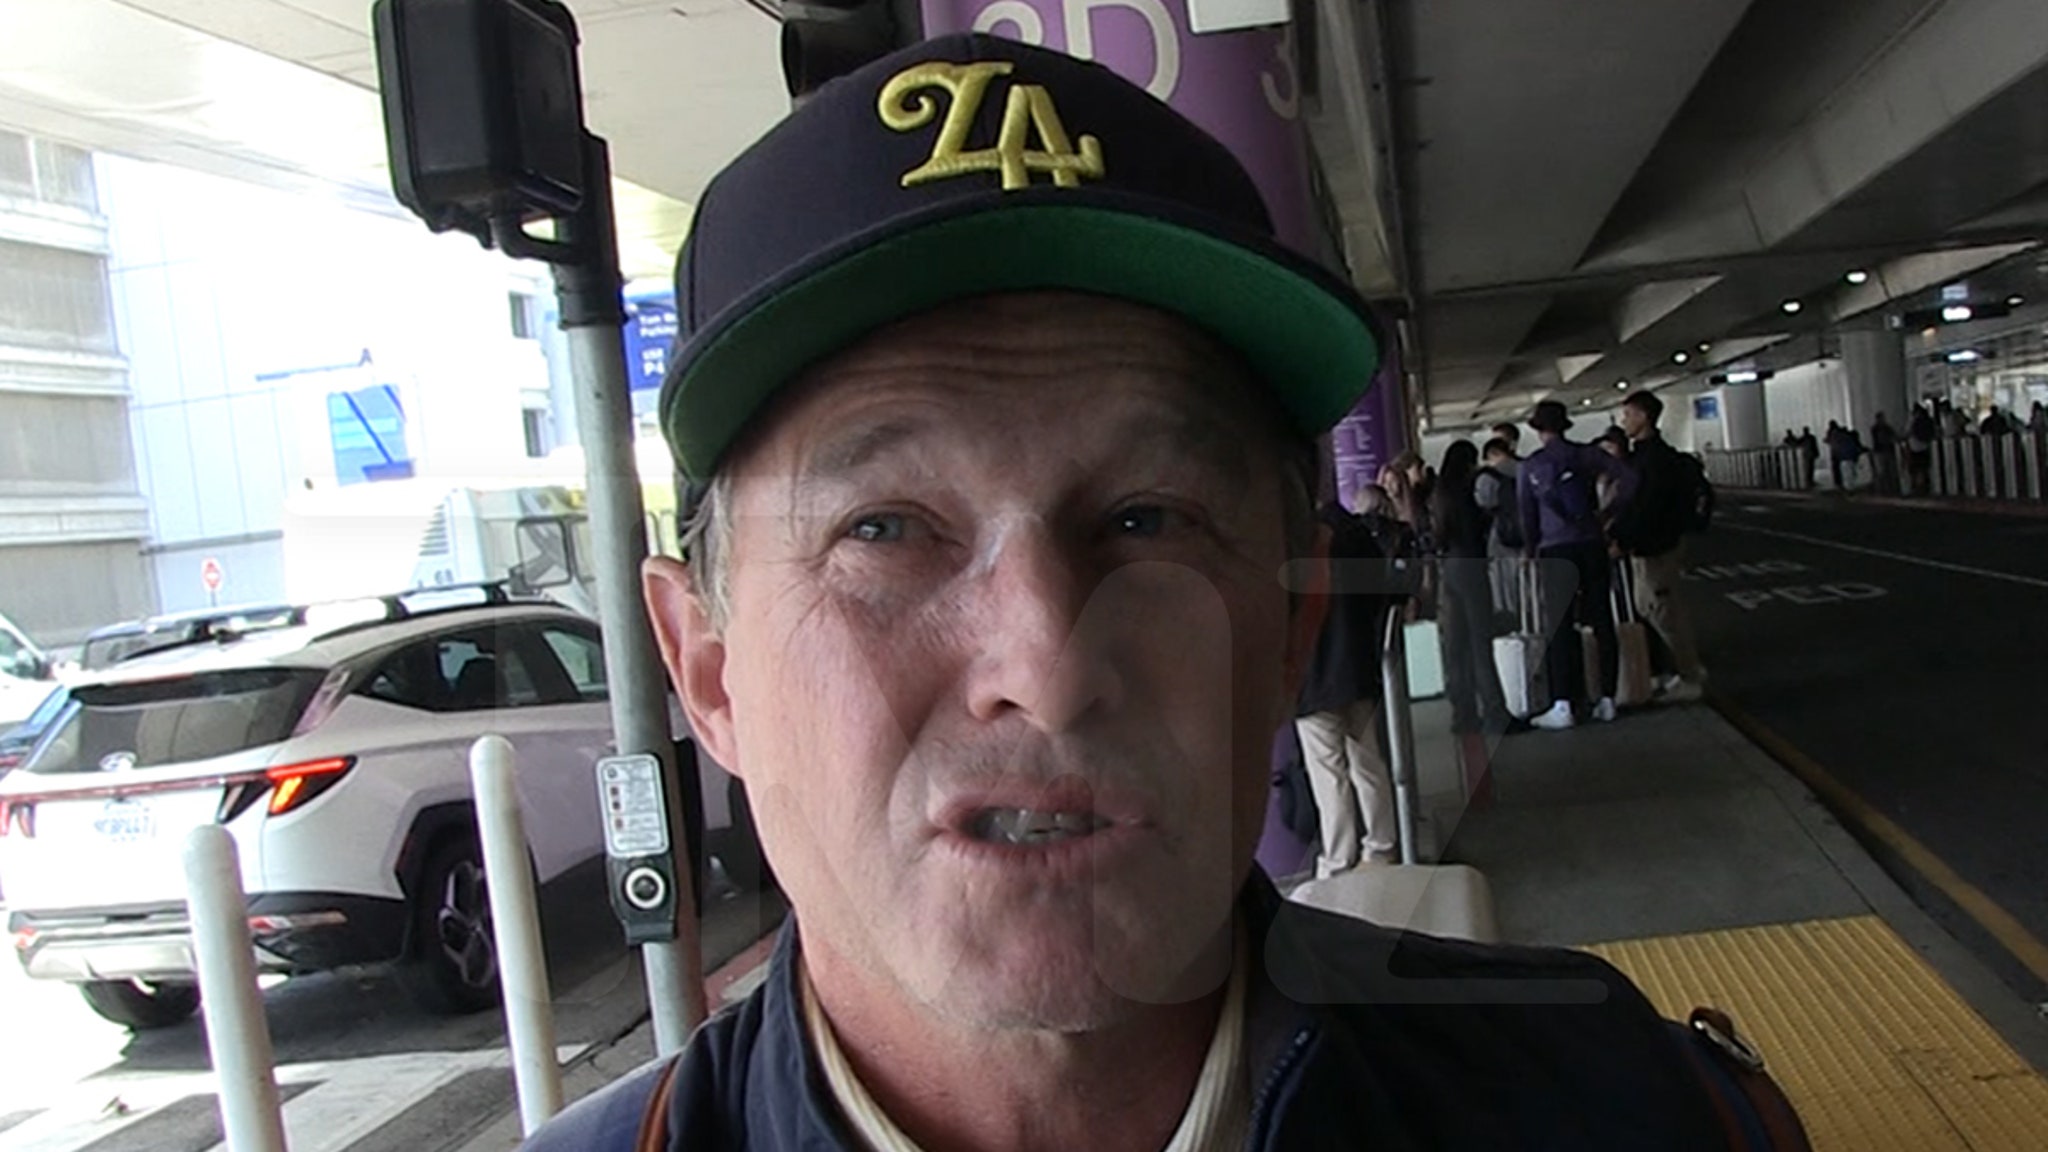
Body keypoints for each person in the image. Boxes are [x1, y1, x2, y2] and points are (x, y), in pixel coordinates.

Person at [528, 33, 1734, 1152]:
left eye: (1147, 520)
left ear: (1289, 633)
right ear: (708, 673)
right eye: (882, 529)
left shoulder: (1633, 1113)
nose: (1045, 665)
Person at [1293, 502, 1398, 876]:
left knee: (1328, 772)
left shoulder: (1292, 542)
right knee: (1368, 761)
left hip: (1312, 676)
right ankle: (1381, 846)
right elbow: (1380, 591)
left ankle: (1338, 859)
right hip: (1356, 666)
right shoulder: (1355, 536)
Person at [1517, 400, 1635, 731]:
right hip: (1592, 543)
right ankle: (1608, 699)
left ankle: (1564, 703)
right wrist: (1607, 514)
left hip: (1555, 549)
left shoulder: (1532, 466)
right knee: (1602, 619)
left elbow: (1527, 515)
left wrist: (1530, 550)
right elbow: (1629, 478)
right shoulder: (1586, 455)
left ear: (1539, 430)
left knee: (1560, 625)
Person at [1607, 392, 1706, 701]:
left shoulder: (1653, 460)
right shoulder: (1646, 457)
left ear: (1643, 417)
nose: (1624, 421)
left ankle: (1690, 677)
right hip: (1650, 546)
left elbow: (1646, 508)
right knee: (1650, 607)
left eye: (1628, 415)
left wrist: (1623, 540)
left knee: (1665, 613)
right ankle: (1681, 671)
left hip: (1656, 547)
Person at [1431, 441, 1510, 738]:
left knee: (1457, 645)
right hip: (1471, 566)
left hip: (1450, 567)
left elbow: (1439, 535)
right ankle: (1495, 713)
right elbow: (1476, 528)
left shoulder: (1441, 493)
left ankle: (1463, 715)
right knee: (1480, 641)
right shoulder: (1468, 490)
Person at [1908, 404, 1937, 495]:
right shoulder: (1928, 421)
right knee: (1924, 468)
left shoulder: (1913, 421)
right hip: (1925, 447)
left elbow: (1908, 432)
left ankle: (1917, 487)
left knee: (1916, 469)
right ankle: (1925, 486)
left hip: (1914, 448)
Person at [1869, 412, 1901, 496]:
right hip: (1885, 451)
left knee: (1883, 471)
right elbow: (1893, 437)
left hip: (1880, 451)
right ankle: (1888, 489)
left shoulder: (1876, 429)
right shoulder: (1885, 428)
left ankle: (1884, 490)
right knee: (1886, 471)